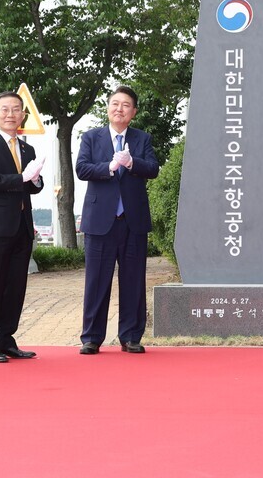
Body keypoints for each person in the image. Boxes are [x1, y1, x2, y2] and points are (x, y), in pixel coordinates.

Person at [76, 86, 160, 354]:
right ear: (108, 108)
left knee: (133, 280)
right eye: (115, 103)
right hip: (100, 220)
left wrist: (132, 162)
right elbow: (81, 168)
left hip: (132, 220)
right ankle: (91, 337)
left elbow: (154, 169)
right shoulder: (92, 137)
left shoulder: (141, 138)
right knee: (96, 281)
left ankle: (131, 336)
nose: (119, 109)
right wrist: (108, 168)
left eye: (126, 105)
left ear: (133, 112)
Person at [0, 91, 45, 363]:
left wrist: (35, 181)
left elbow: (32, 187)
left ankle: (6, 338)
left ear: (23, 115)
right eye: (5, 109)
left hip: (23, 226)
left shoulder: (28, 149)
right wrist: (21, 177)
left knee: (16, 286)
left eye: (16, 109)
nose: (10, 114)